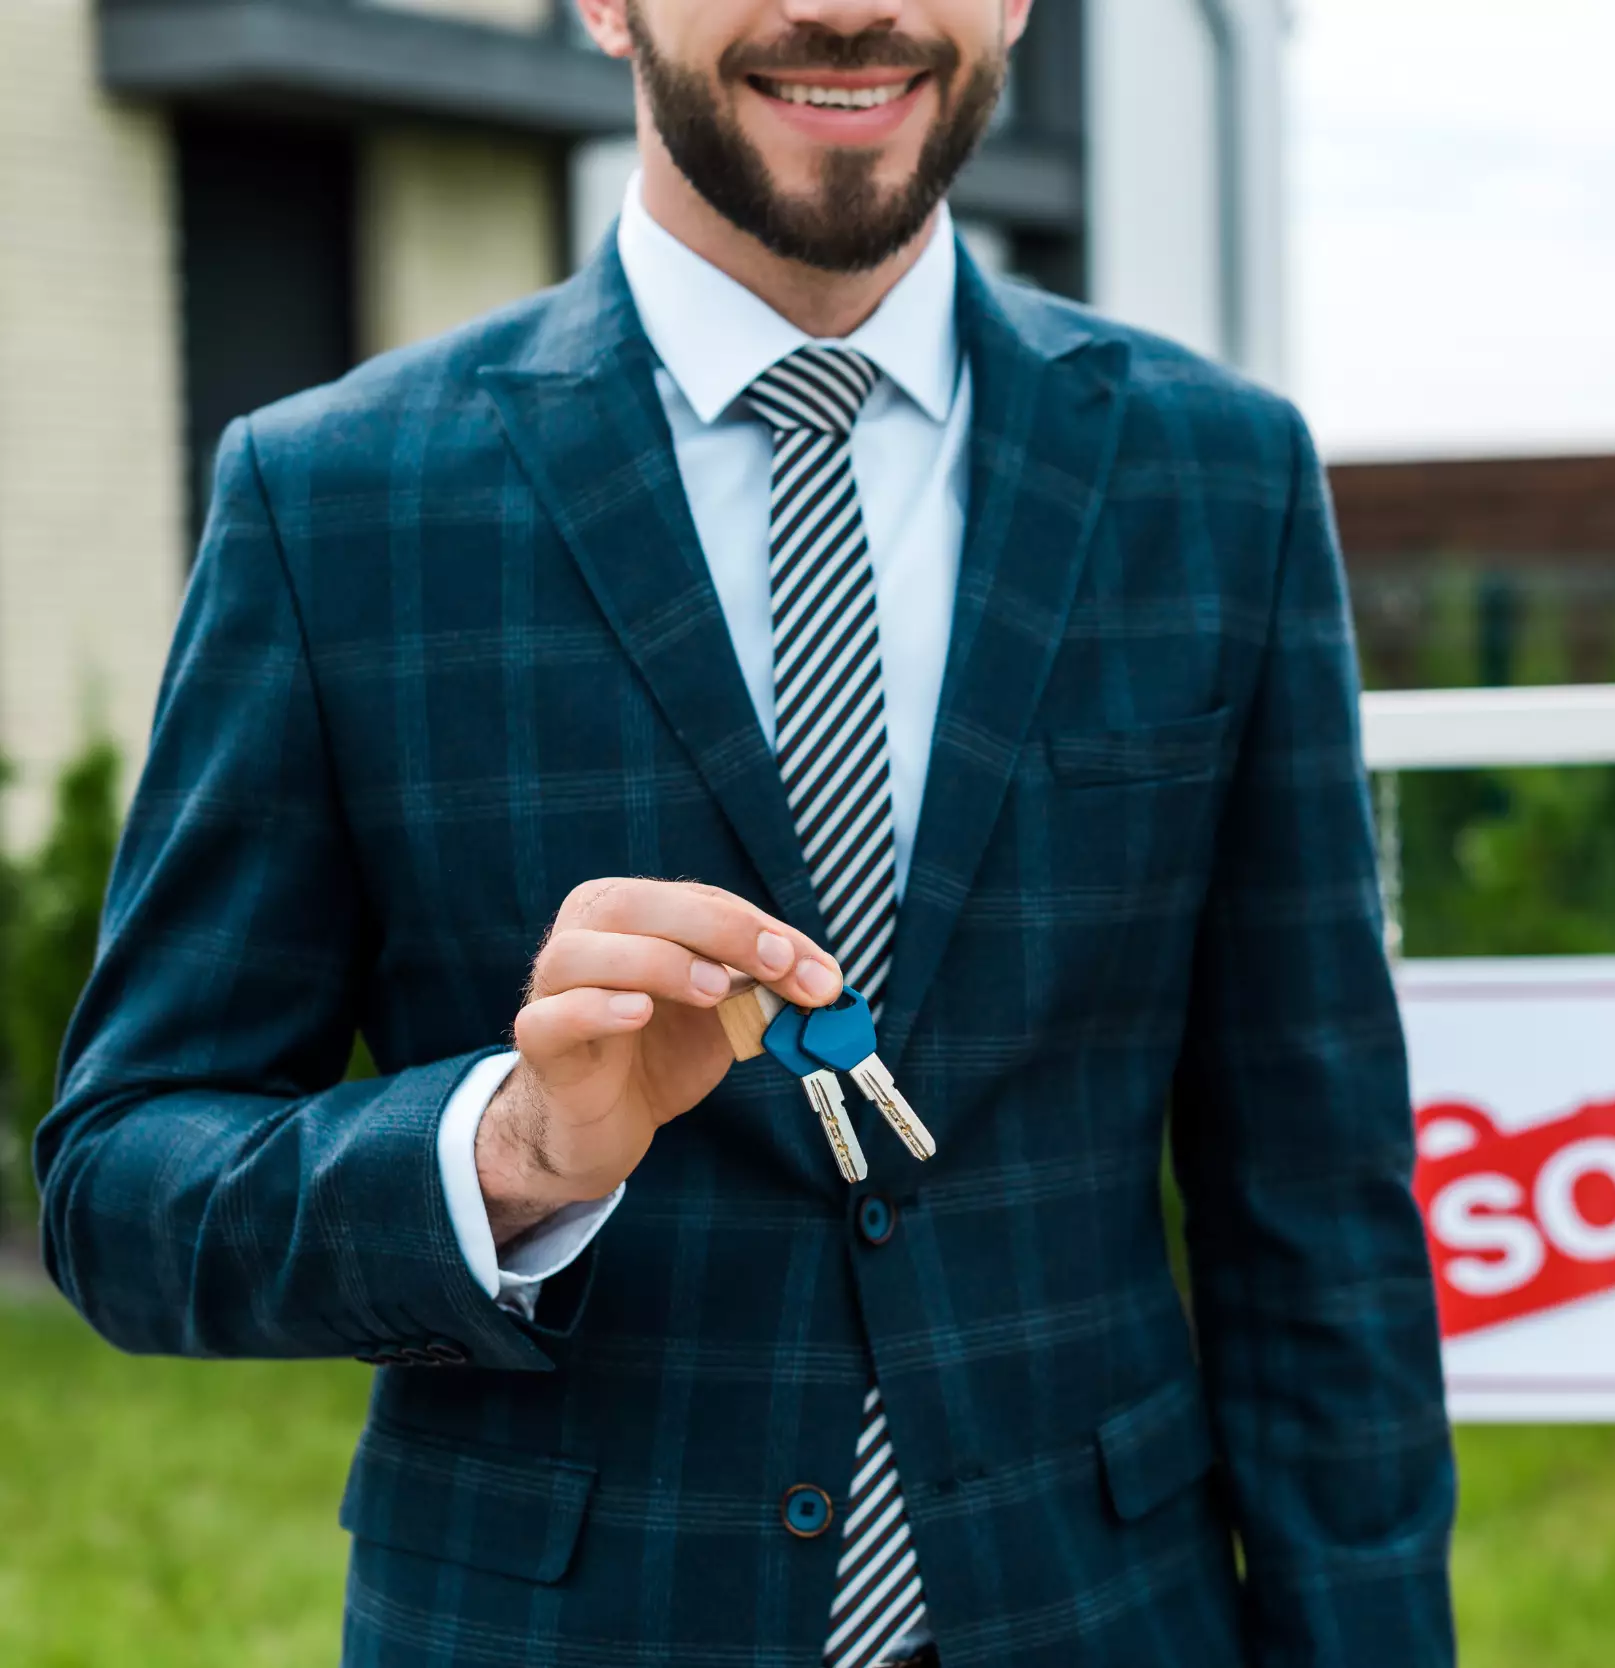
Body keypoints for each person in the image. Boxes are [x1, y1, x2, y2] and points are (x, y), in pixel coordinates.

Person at [32, 1, 1457, 1662]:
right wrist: (510, 1159)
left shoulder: (1222, 481)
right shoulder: (337, 500)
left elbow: (1317, 1211)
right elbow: (120, 1188)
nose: (848, 11)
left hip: (1100, 1611)